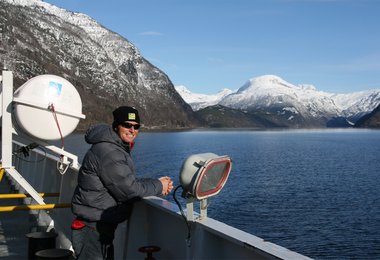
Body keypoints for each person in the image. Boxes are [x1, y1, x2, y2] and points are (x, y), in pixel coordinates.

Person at [71, 106, 173, 259]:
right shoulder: (110, 152)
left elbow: (124, 180)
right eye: (127, 125)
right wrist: (159, 186)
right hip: (93, 228)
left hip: (97, 225)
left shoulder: (111, 147)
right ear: (116, 126)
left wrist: (156, 182)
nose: (132, 130)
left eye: (136, 126)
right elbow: (129, 190)